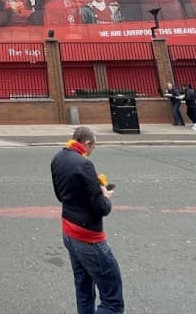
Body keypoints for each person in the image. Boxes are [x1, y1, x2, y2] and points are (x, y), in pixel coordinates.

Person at [50, 126, 124, 314]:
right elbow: (101, 208)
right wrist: (105, 196)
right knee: (112, 301)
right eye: (93, 148)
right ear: (87, 143)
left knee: (84, 291)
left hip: (68, 232)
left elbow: (61, 195)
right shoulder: (84, 165)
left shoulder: (58, 158)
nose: (91, 152)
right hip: (88, 237)